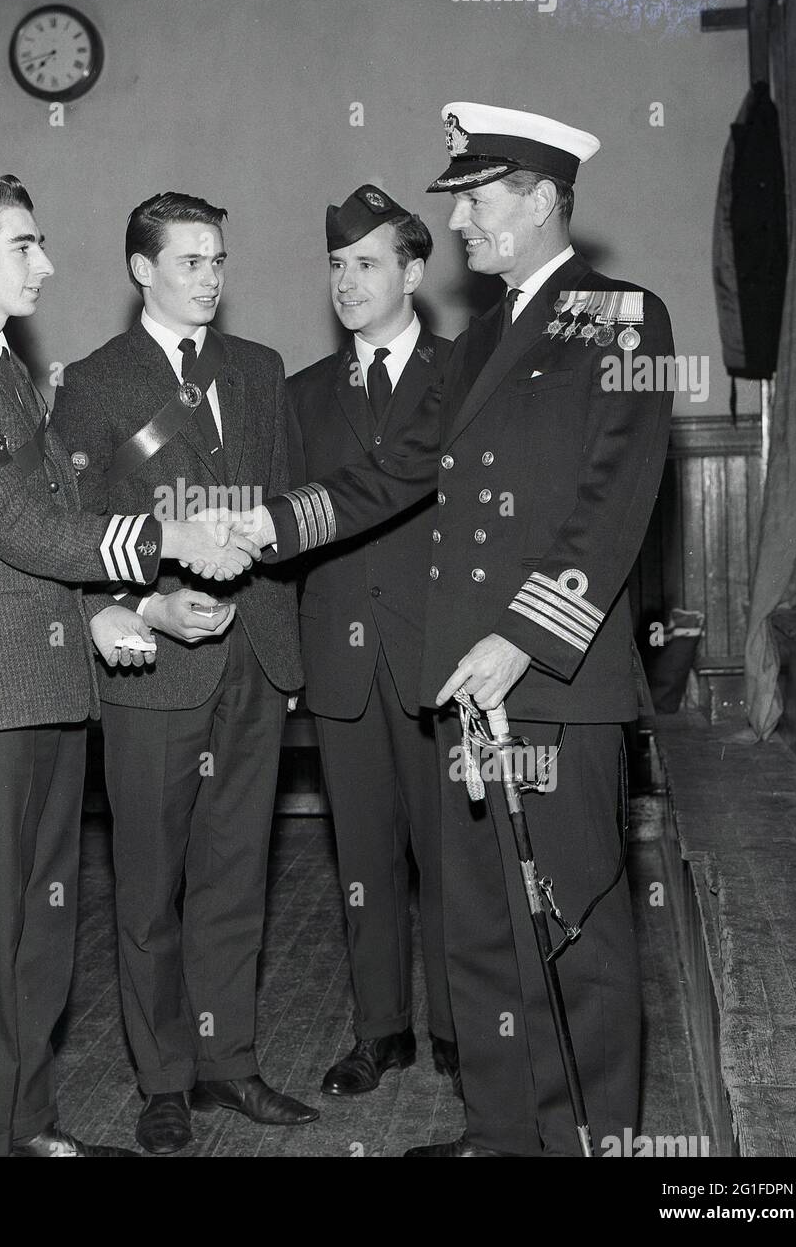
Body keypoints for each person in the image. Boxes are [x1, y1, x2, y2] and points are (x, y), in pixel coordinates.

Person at [241, 104, 675, 1157]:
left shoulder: (625, 316)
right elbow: (389, 474)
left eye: (475, 202)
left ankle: (590, 1138)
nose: (463, 225)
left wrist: (524, 635)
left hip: (550, 682)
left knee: (569, 924)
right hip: (465, 686)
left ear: (534, 199)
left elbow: (614, 497)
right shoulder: (479, 337)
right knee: (481, 926)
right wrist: (263, 524)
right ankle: (500, 1129)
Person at [0, 173, 258, 1158]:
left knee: (39, 926)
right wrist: (162, 539)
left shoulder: (3, 365)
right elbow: (15, 521)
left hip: (46, 682)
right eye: (25, 246)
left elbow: (47, 526)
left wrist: (103, 612)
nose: (46, 264)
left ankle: (24, 1122)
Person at [51, 192, 315, 1156]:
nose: (211, 277)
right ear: (141, 269)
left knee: (237, 876)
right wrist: (143, 601)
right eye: (191, 261)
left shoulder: (258, 369)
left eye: (218, 260)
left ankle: (228, 1064)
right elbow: (73, 528)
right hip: (152, 660)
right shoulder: (92, 381)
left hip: (253, 653)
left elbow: (286, 504)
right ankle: (161, 1078)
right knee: (149, 883)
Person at [287, 185, 456, 1099]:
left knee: (451, 856)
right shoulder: (300, 396)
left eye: (367, 263)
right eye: (337, 266)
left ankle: (467, 1033)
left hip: (441, 660)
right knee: (362, 860)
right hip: (341, 664)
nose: (347, 282)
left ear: (413, 272)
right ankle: (380, 1030)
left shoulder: (465, 374)